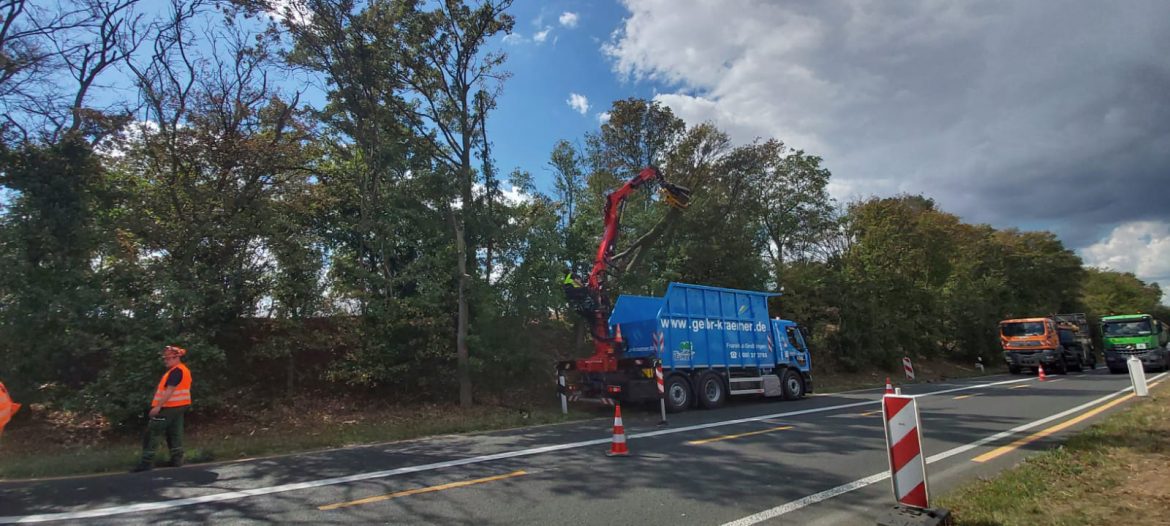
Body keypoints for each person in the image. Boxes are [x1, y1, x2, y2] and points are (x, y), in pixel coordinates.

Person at [132, 345, 192, 472]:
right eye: (165, 359)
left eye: (168, 359)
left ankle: (146, 462)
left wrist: (157, 407)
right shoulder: (183, 370)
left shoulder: (176, 371)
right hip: (180, 406)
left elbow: (169, 391)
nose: (166, 361)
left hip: (169, 407)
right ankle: (177, 459)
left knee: (153, 431)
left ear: (176, 358)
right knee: (174, 432)